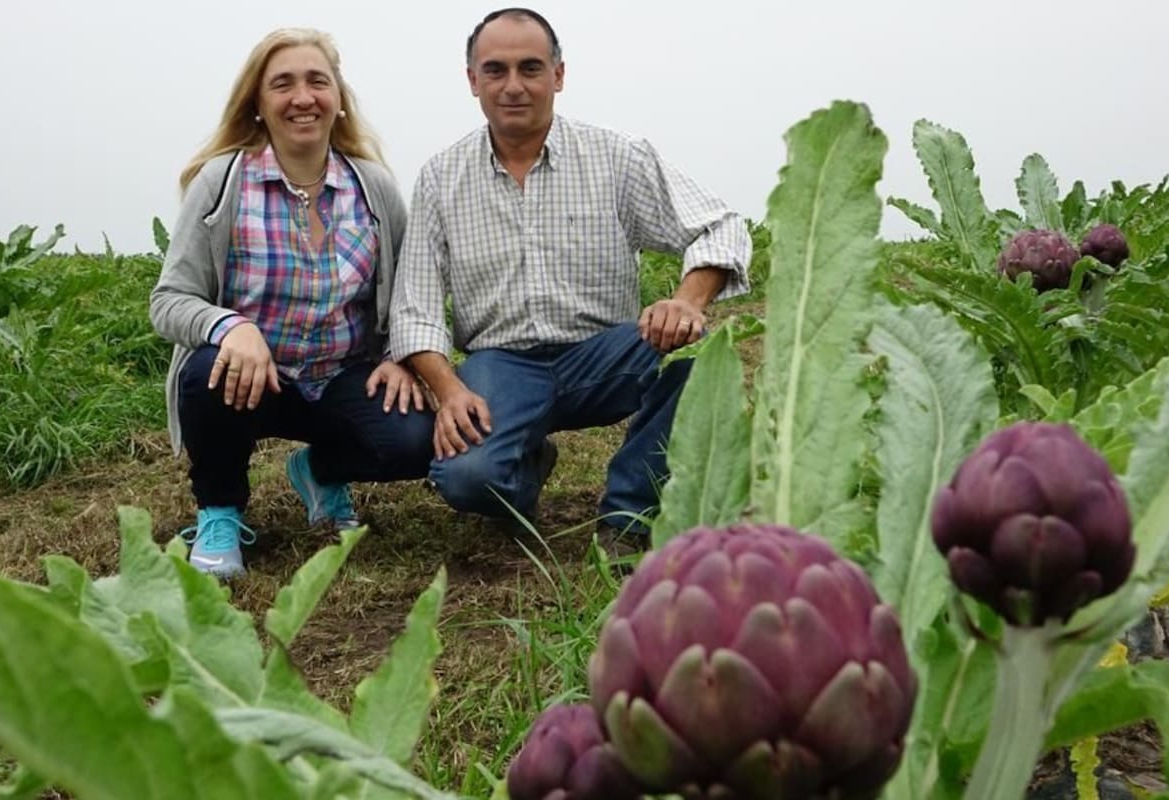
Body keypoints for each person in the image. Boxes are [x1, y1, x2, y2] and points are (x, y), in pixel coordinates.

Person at [390, 8, 752, 553]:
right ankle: (523, 467)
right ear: (472, 81)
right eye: (495, 70)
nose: (513, 86)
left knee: (693, 355)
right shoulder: (442, 179)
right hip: (502, 363)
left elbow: (719, 226)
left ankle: (629, 514)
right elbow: (413, 305)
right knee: (467, 477)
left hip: (605, 354)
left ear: (558, 75)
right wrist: (449, 389)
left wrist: (686, 301)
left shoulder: (615, 157)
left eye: (530, 68)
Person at [150, 28, 434, 579]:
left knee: (413, 440)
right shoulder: (224, 181)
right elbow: (169, 300)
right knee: (208, 371)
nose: (302, 97)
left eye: (317, 82)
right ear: (258, 103)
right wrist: (230, 326)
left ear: (339, 98)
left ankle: (321, 470)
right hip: (254, 379)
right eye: (282, 84)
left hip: (342, 374)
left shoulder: (373, 187)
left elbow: (407, 291)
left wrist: (401, 358)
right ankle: (220, 512)